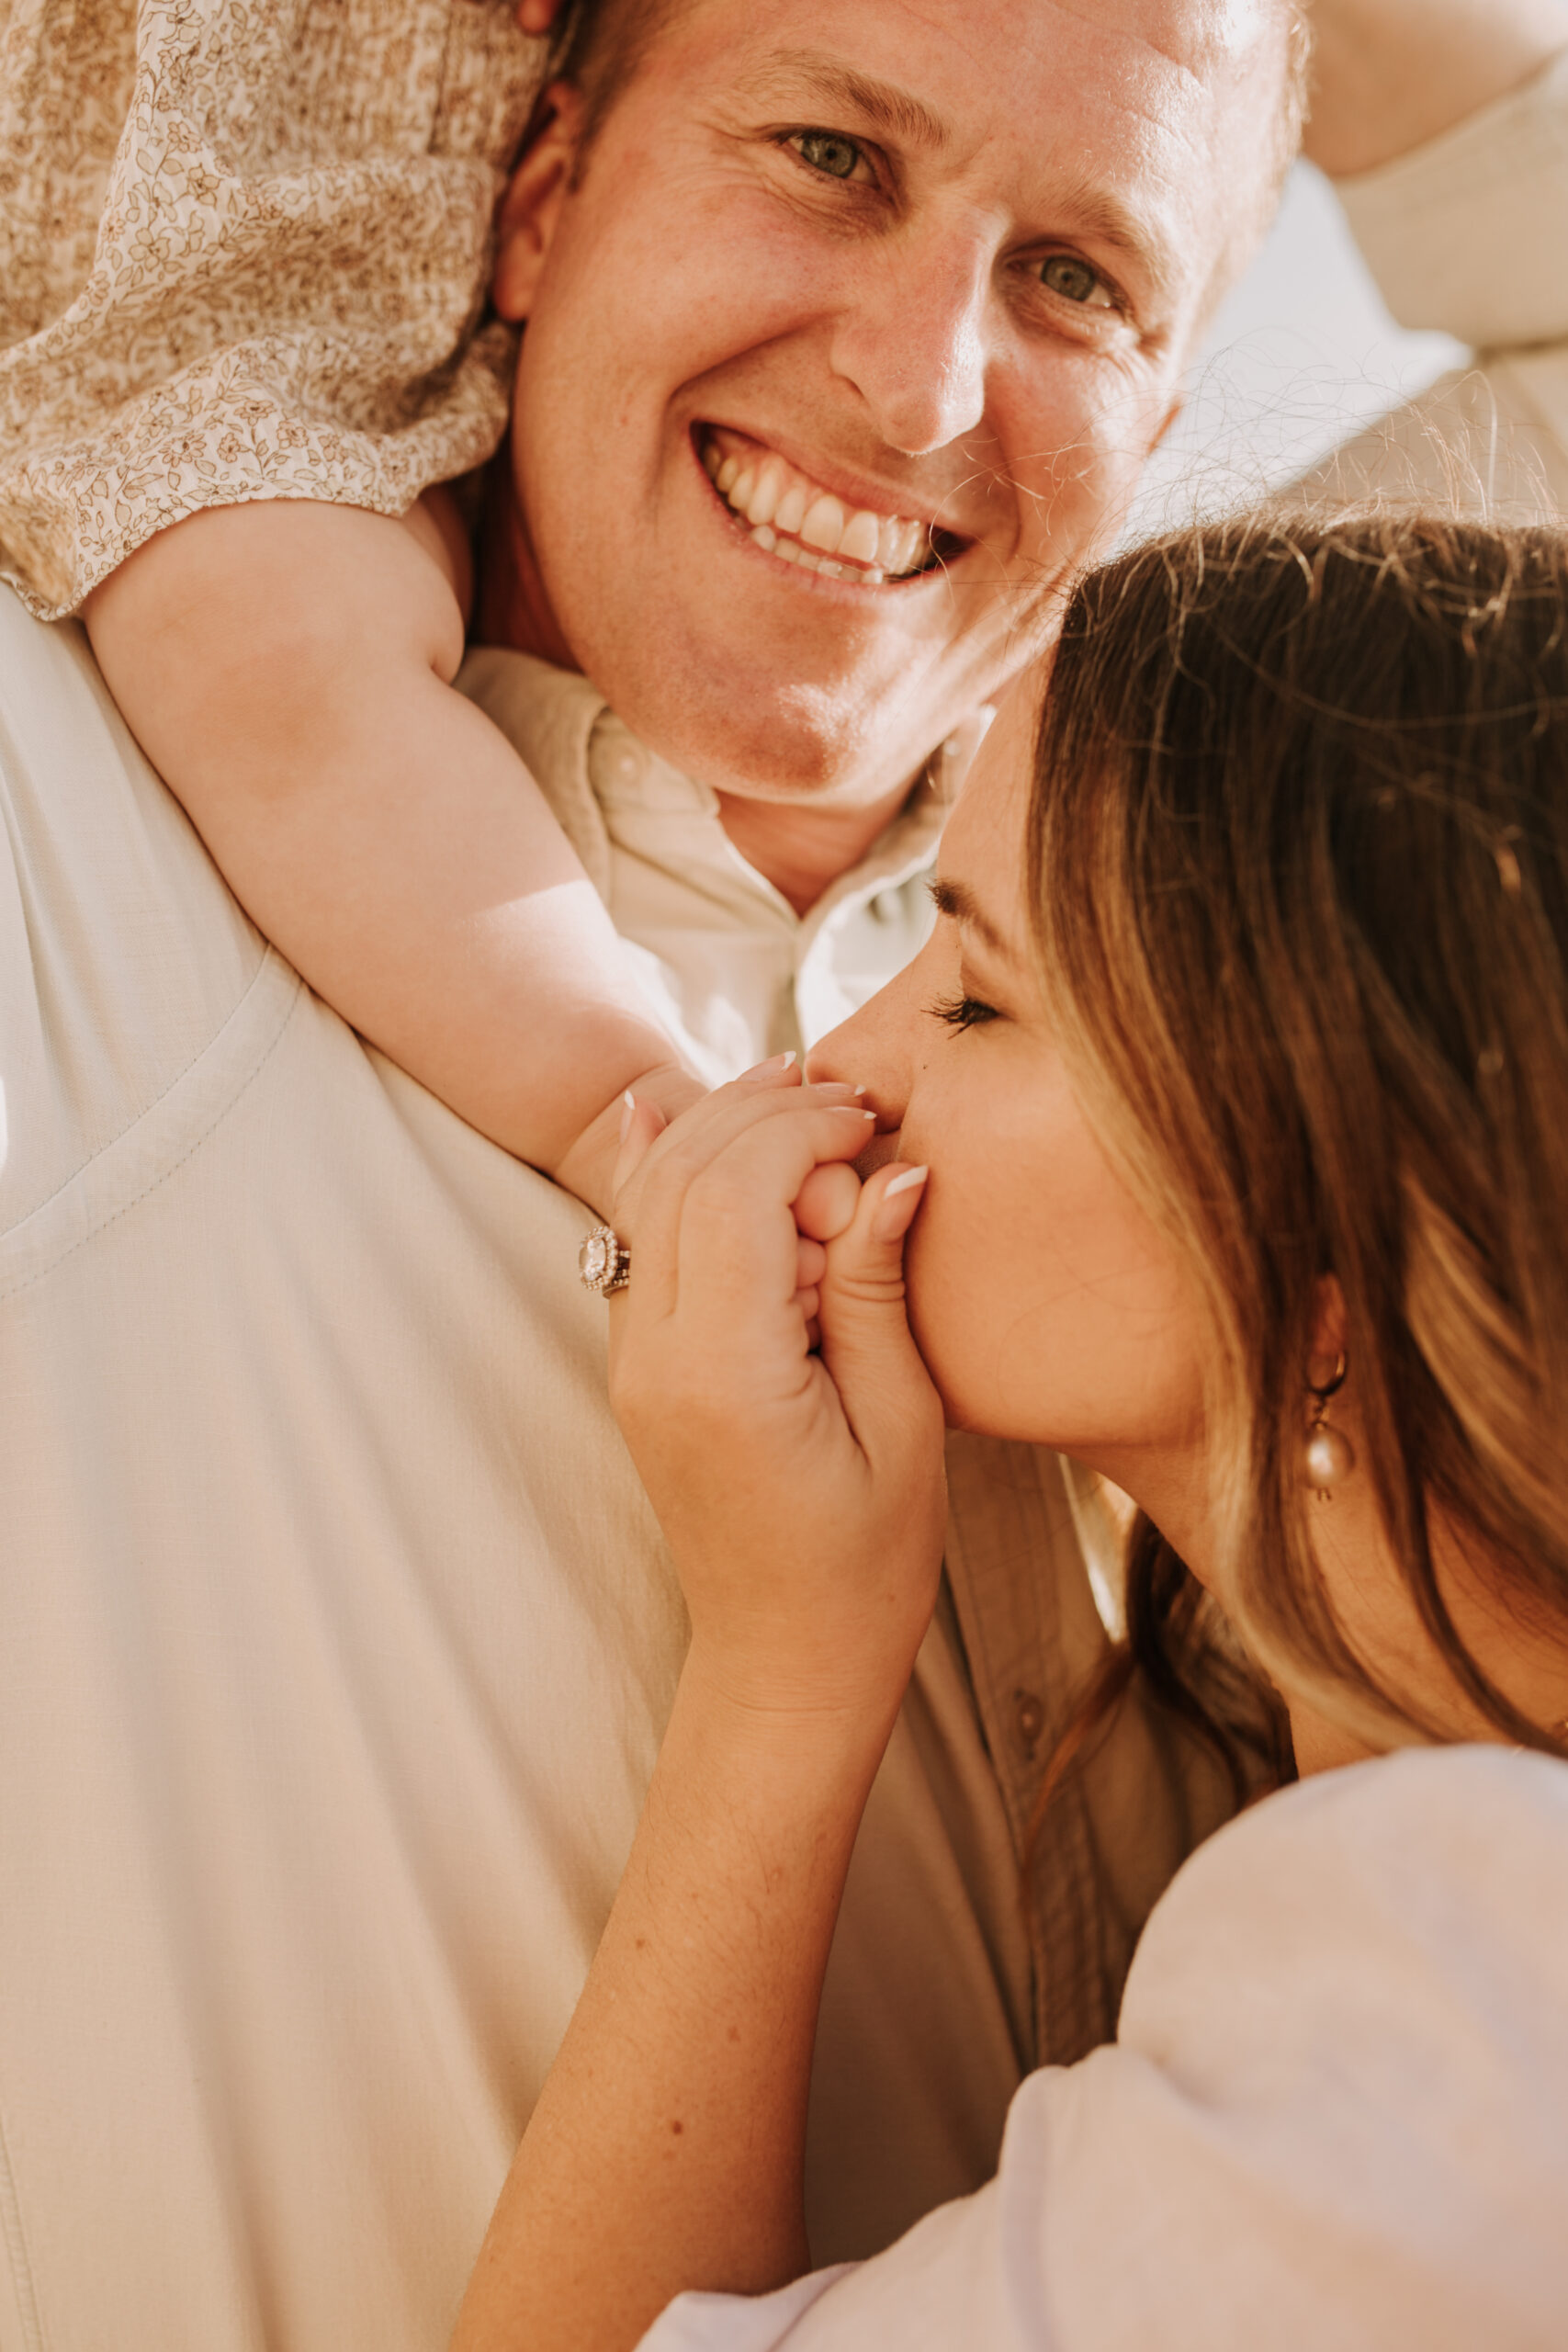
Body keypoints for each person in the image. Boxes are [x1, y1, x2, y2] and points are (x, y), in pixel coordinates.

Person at [1, 0, 1566, 2344]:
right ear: (533, 196)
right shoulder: (83, 841)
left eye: (1079, 279)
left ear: (1162, 407)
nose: (923, 379)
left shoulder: (1248, 875)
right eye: (828, 151)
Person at [457, 508, 1568, 2351]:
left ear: (1326, 1257)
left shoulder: (1456, 1995)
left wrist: (780, 1671)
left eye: (972, 996)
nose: (837, 1068)